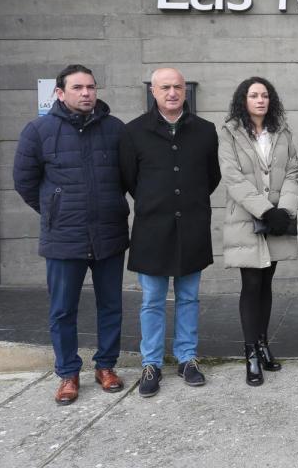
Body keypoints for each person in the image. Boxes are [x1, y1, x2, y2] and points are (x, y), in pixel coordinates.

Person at [13, 64, 129, 405]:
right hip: (64, 237)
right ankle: (67, 373)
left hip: (108, 234)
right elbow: (24, 181)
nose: (86, 93)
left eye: (90, 87)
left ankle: (106, 366)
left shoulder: (115, 129)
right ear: (60, 93)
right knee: (63, 310)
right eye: (77, 88)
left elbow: (128, 176)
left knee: (111, 306)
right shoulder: (38, 131)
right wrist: (55, 210)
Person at [120, 67, 221, 397]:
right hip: (152, 228)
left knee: (189, 298)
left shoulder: (205, 130)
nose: (173, 93)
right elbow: (130, 179)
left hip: (192, 226)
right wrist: (158, 201)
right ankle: (151, 363)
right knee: (152, 300)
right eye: (165, 87)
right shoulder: (134, 131)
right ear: (153, 91)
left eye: (177, 87)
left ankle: (187, 358)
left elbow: (211, 177)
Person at [218, 77, 298, 386]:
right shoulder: (229, 133)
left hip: (277, 219)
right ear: (244, 100)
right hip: (247, 218)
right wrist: (264, 209)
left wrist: (284, 210)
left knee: (267, 283)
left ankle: (264, 344)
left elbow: (293, 170)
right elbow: (232, 177)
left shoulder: (282, 131)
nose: (260, 100)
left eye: (265, 95)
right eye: (254, 95)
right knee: (251, 283)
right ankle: (251, 352)